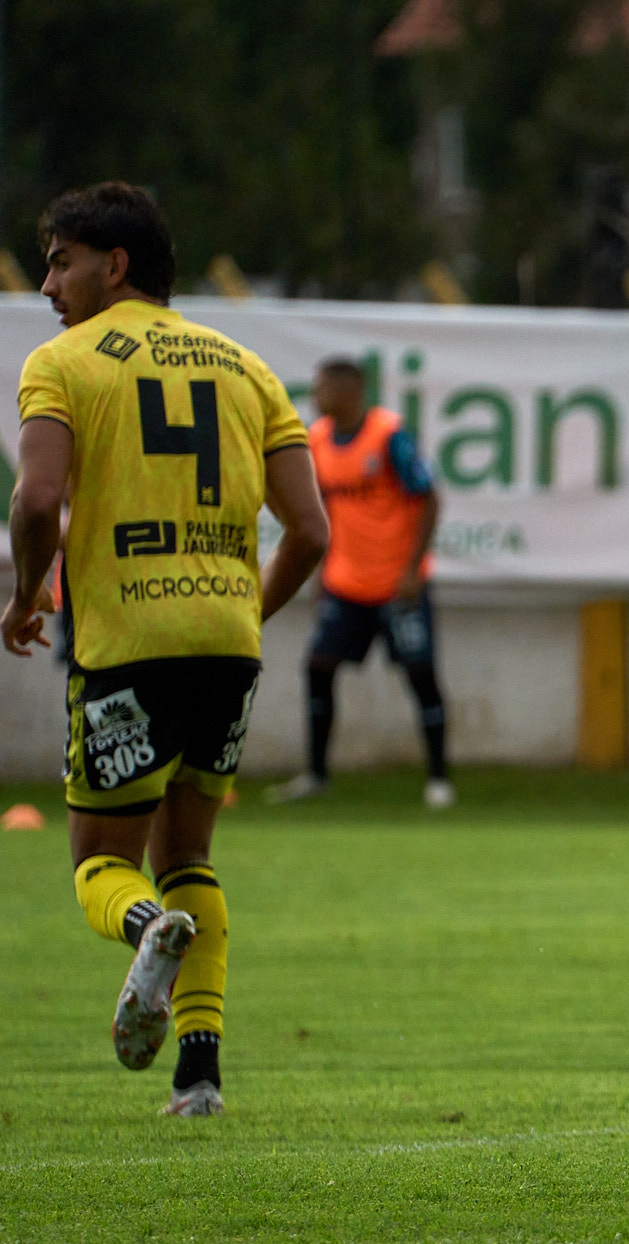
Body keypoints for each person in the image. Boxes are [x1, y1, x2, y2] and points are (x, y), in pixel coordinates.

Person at [1, 182, 329, 1116]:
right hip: (227, 643)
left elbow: (33, 502)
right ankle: (199, 1077)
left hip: (127, 640)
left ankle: (148, 929)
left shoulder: (62, 363)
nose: (48, 284)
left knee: (101, 862)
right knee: (190, 851)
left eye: (61, 261)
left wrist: (28, 597)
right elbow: (310, 529)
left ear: (116, 265)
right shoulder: (248, 367)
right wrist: (243, 614)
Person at [267, 356, 453, 809]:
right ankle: (316, 775)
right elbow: (321, 516)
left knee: (420, 674)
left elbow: (428, 499)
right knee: (319, 667)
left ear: (350, 391)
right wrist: (319, 576)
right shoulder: (317, 440)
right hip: (345, 584)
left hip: (397, 584)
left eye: (322, 387)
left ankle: (439, 779)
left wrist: (412, 569)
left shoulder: (388, 435)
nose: (315, 395)